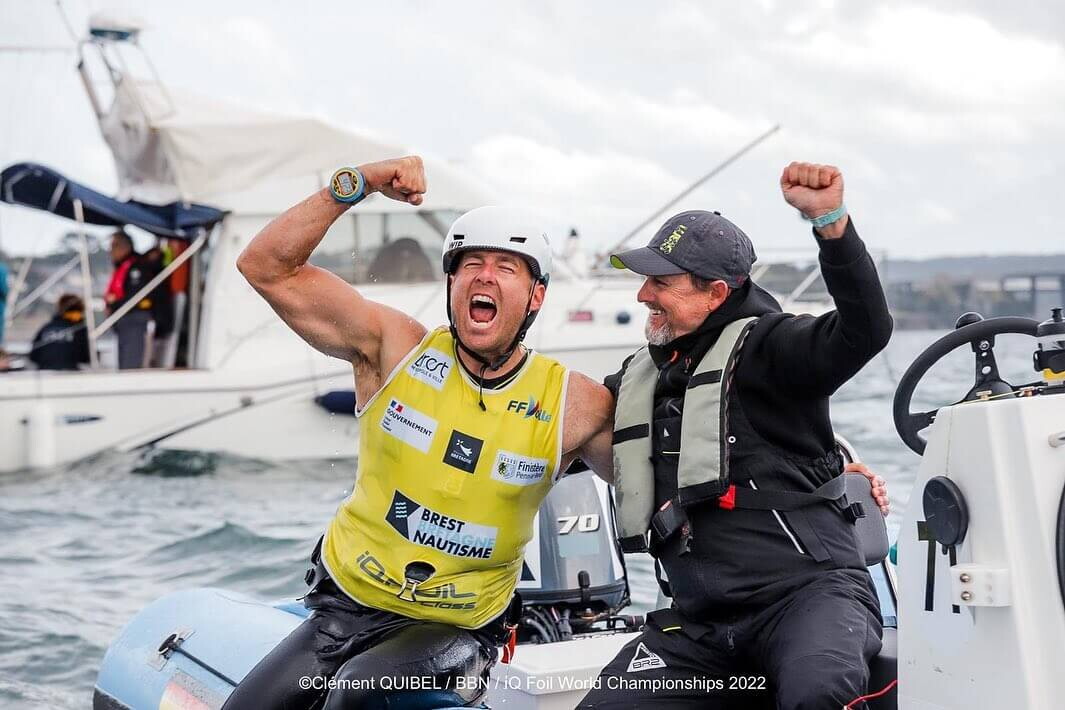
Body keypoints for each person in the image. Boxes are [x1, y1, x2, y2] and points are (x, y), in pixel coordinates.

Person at [223, 156, 614, 709]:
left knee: (355, 694)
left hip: (456, 626)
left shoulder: (575, 403)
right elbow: (266, 266)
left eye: (506, 267)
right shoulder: (394, 349)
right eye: (471, 263)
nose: (484, 276)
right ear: (452, 282)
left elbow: (658, 488)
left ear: (536, 296)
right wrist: (359, 182)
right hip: (346, 608)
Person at [578, 162, 893, 709]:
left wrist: (831, 224)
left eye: (662, 282)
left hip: (808, 600)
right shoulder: (640, 377)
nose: (644, 295)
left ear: (716, 292)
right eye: (646, 280)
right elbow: (557, 431)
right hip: (700, 625)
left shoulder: (775, 349)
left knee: (817, 695)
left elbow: (865, 330)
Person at [104, 230, 155, 369]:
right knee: (124, 365)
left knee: (130, 366)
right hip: (123, 320)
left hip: (134, 320)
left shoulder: (137, 267)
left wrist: (114, 304)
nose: (110, 251)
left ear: (125, 247)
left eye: (113, 246)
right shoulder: (123, 266)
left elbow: (135, 296)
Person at [29, 293, 91, 370]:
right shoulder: (79, 329)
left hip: (45, 372)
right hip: (69, 373)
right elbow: (86, 357)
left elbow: (33, 356)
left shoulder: (46, 328)